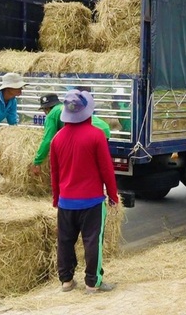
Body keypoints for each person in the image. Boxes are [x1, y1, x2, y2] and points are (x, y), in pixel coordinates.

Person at [50, 90, 118, 294]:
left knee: (65, 241)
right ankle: (92, 282)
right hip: (92, 201)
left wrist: (56, 198)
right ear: (88, 112)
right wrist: (113, 196)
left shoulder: (57, 139)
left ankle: (66, 281)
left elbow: (54, 173)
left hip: (66, 202)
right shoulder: (96, 136)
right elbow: (107, 169)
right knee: (92, 241)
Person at [30, 93, 112, 176]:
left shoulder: (52, 114)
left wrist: (37, 161)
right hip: (104, 129)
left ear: (46, 109)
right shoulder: (66, 107)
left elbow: (48, 139)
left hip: (90, 133)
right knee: (97, 165)